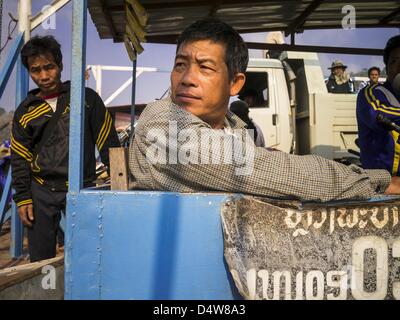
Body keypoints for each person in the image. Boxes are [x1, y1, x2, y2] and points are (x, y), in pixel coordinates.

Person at [129, 18, 400, 202]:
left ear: (235, 83)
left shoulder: (234, 126)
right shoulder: (161, 125)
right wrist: (375, 182)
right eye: (180, 65)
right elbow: (263, 170)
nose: (186, 77)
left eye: (205, 67)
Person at [11, 36, 120, 262]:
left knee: (88, 253)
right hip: (41, 190)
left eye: (49, 67)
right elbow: (20, 158)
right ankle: (48, 294)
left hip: (82, 188)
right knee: (41, 258)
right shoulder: (25, 112)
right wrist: (23, 199)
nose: (43, 76)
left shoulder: (86, 99)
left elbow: (108, 143)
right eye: (35, 70)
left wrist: (121, 186)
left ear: (60, 65)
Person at [357, 35, 400, 176]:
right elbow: (377, 114)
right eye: (394, 61)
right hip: (383, 184)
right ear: (387, 69)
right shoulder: (372, 92)